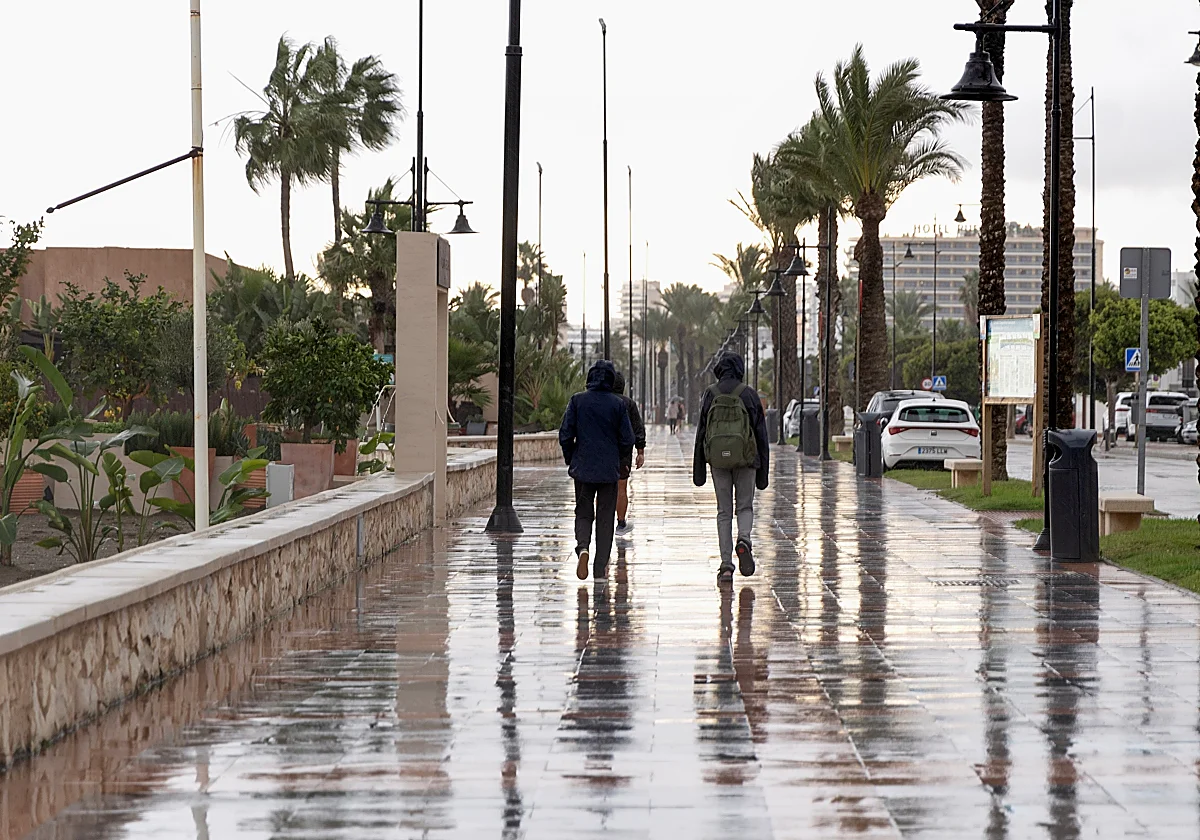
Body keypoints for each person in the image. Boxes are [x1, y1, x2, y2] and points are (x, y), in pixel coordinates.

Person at [692, 352, 769, 585]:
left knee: (724, 512)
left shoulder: (710, 394)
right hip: (747, 460)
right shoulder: (749, 394)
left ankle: (726, 565)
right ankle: (743, 539)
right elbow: (761, 434)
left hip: (718, 461)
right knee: (744, 506)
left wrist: (698, 469)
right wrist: (763, 472)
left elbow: (702, 431)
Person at [559, 360, 635, 580]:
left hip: (583, 468)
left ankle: (583, 547)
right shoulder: (617, 404)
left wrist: (571, 458)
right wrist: (620, 460)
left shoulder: (577, 401)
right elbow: (627, 438)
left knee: (583, 512)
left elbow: (565, 434)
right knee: (605, 517)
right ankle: (599, 566)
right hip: (608, 471)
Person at [612, 371, 646, 538]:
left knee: (601, 488)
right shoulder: (628, 403)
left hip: (602, 453)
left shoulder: (601, 401)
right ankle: (621, 522)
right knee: (621, 488)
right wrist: (640, 451)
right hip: (623, 453)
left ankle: (603, 520)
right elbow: (638, 428)